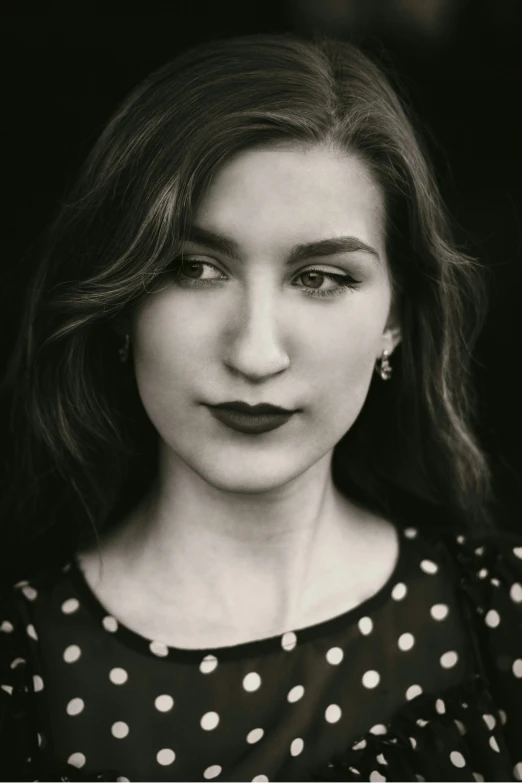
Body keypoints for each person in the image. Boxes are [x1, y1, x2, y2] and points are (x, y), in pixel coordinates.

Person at [0, 32, 520, 783]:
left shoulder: (502, 616)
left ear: (396, 318)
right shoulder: (24, 668)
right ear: (121, 301)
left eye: (321, 277)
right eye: (194, 268)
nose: (255, 352)